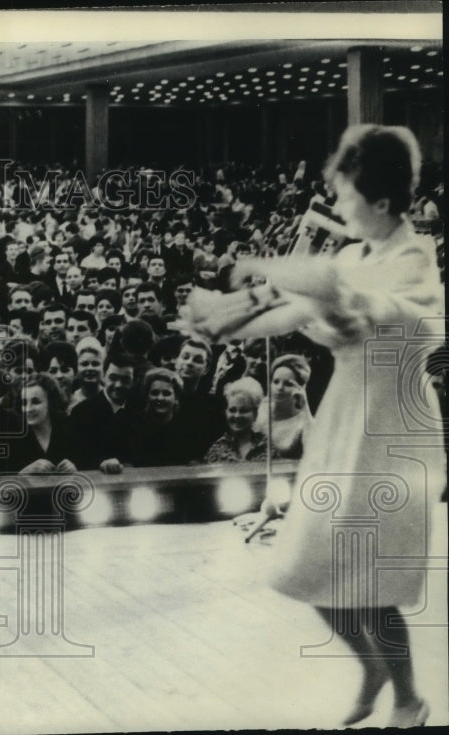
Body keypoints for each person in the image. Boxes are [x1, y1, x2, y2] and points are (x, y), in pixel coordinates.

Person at [221, 125, 442, 727]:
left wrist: (316, 290)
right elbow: (302, 307)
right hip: (346, 420)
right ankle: (371, 668)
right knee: (309, 565)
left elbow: (385, 309)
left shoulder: (414, 256)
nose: (338, 209)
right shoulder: (351, 255)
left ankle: (408, 698)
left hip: (392, 430)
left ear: (382, 204)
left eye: (345, 198)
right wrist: (226, 325)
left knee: (371, 583)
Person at [254, 353, 313, 459]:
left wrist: (305, 405)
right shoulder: (262, 408)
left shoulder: (304, 420)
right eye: (275, 382)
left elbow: (315, 448)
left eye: (288, 384)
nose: (279, 388)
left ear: (300, 388)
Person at [203, 377, 274, 463]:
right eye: (232, 410)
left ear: (255, 414)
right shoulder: (216, 449)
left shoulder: (268, 446)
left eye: (244, 411)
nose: (237, 416)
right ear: (226, 412)